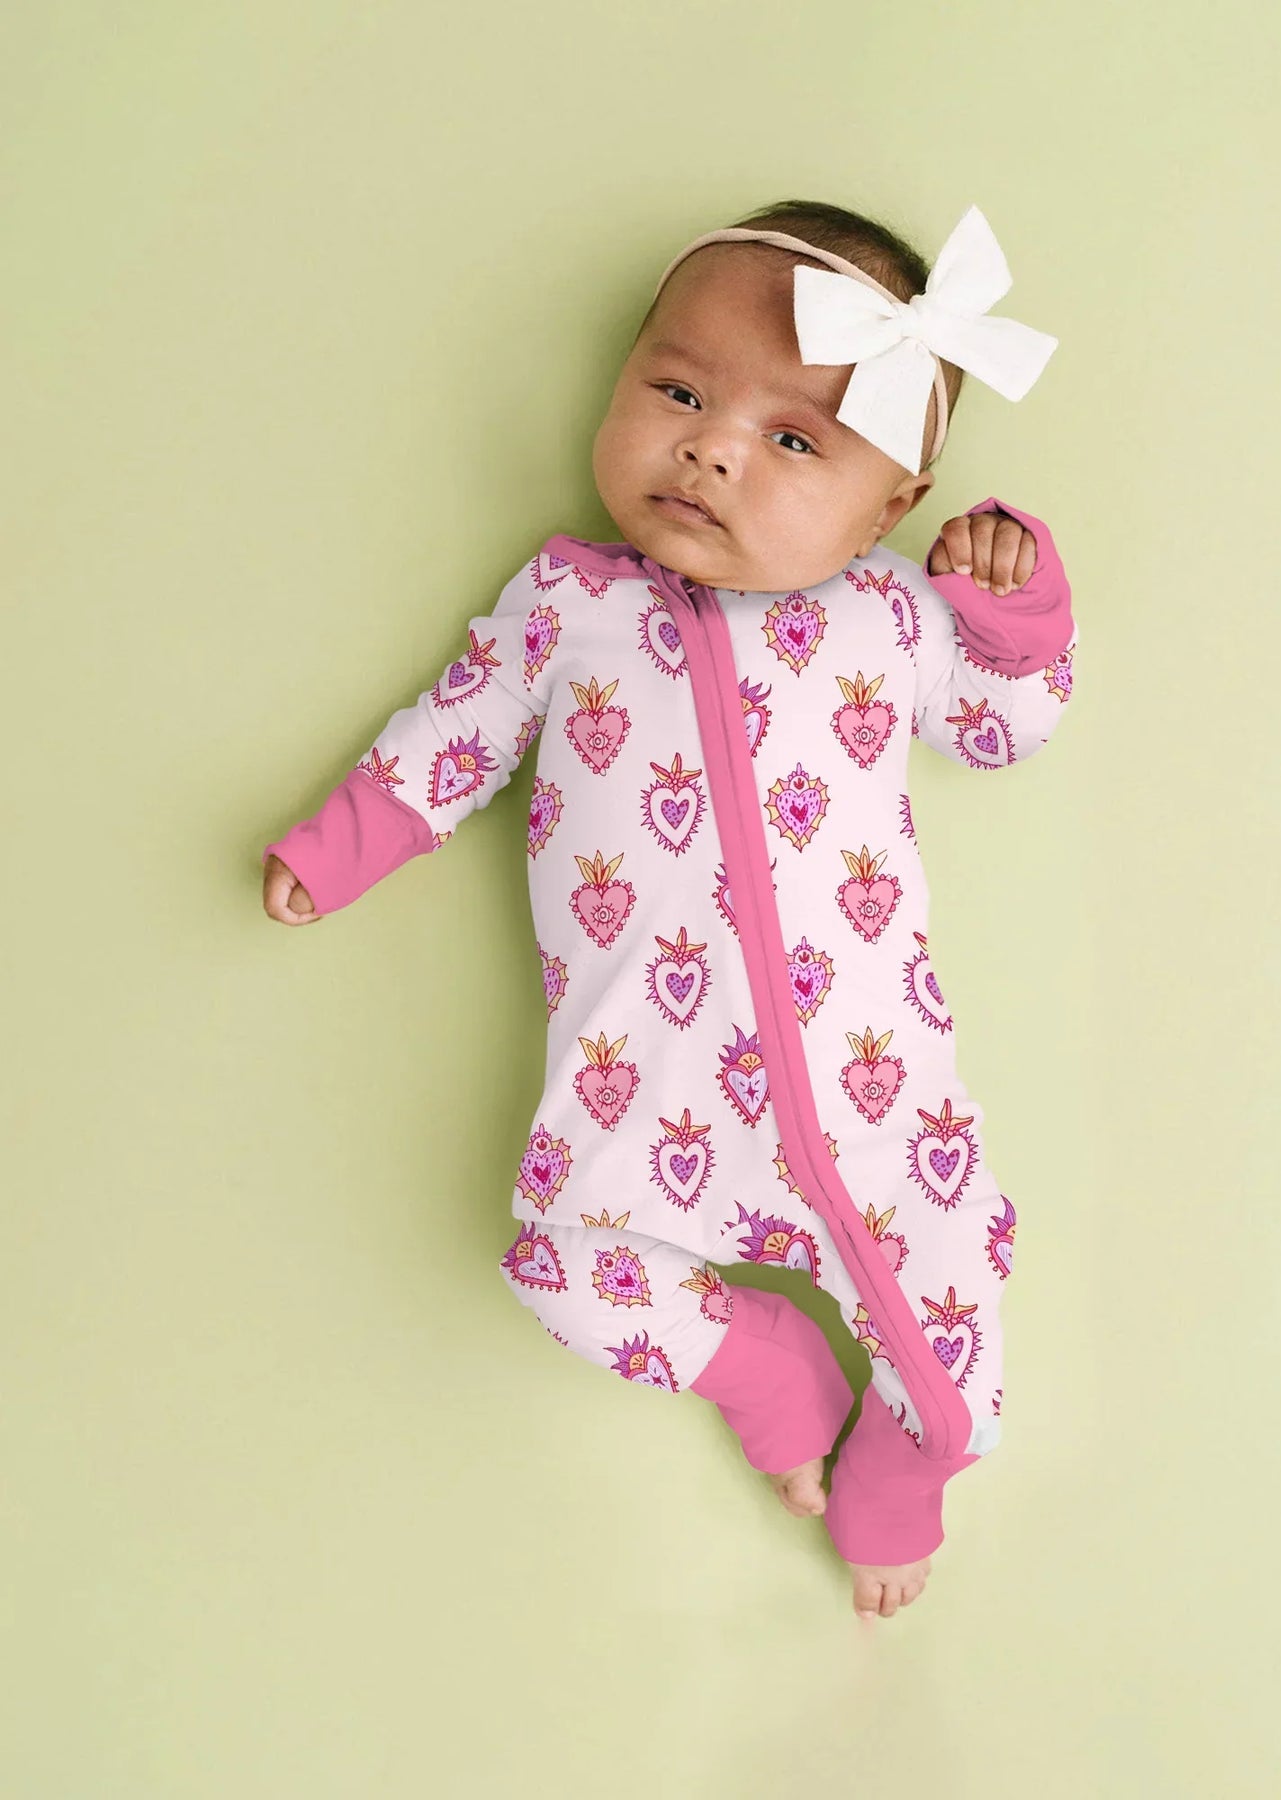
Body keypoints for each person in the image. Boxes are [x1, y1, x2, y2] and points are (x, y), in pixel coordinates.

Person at [262, 198, 1078, 1622]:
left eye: (795, 441)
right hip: (644, 1091)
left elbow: (1008, 726)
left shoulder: (895, 617)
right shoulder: (563, 604)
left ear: (886, 507)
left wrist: (1012, 606)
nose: (711, 449)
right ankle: (772, 1370)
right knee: (559, 1270)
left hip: (885, 1114)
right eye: (681, 393)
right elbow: (455, 732)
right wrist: (341, 846)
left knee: (958, 1390)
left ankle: (900, 1471)